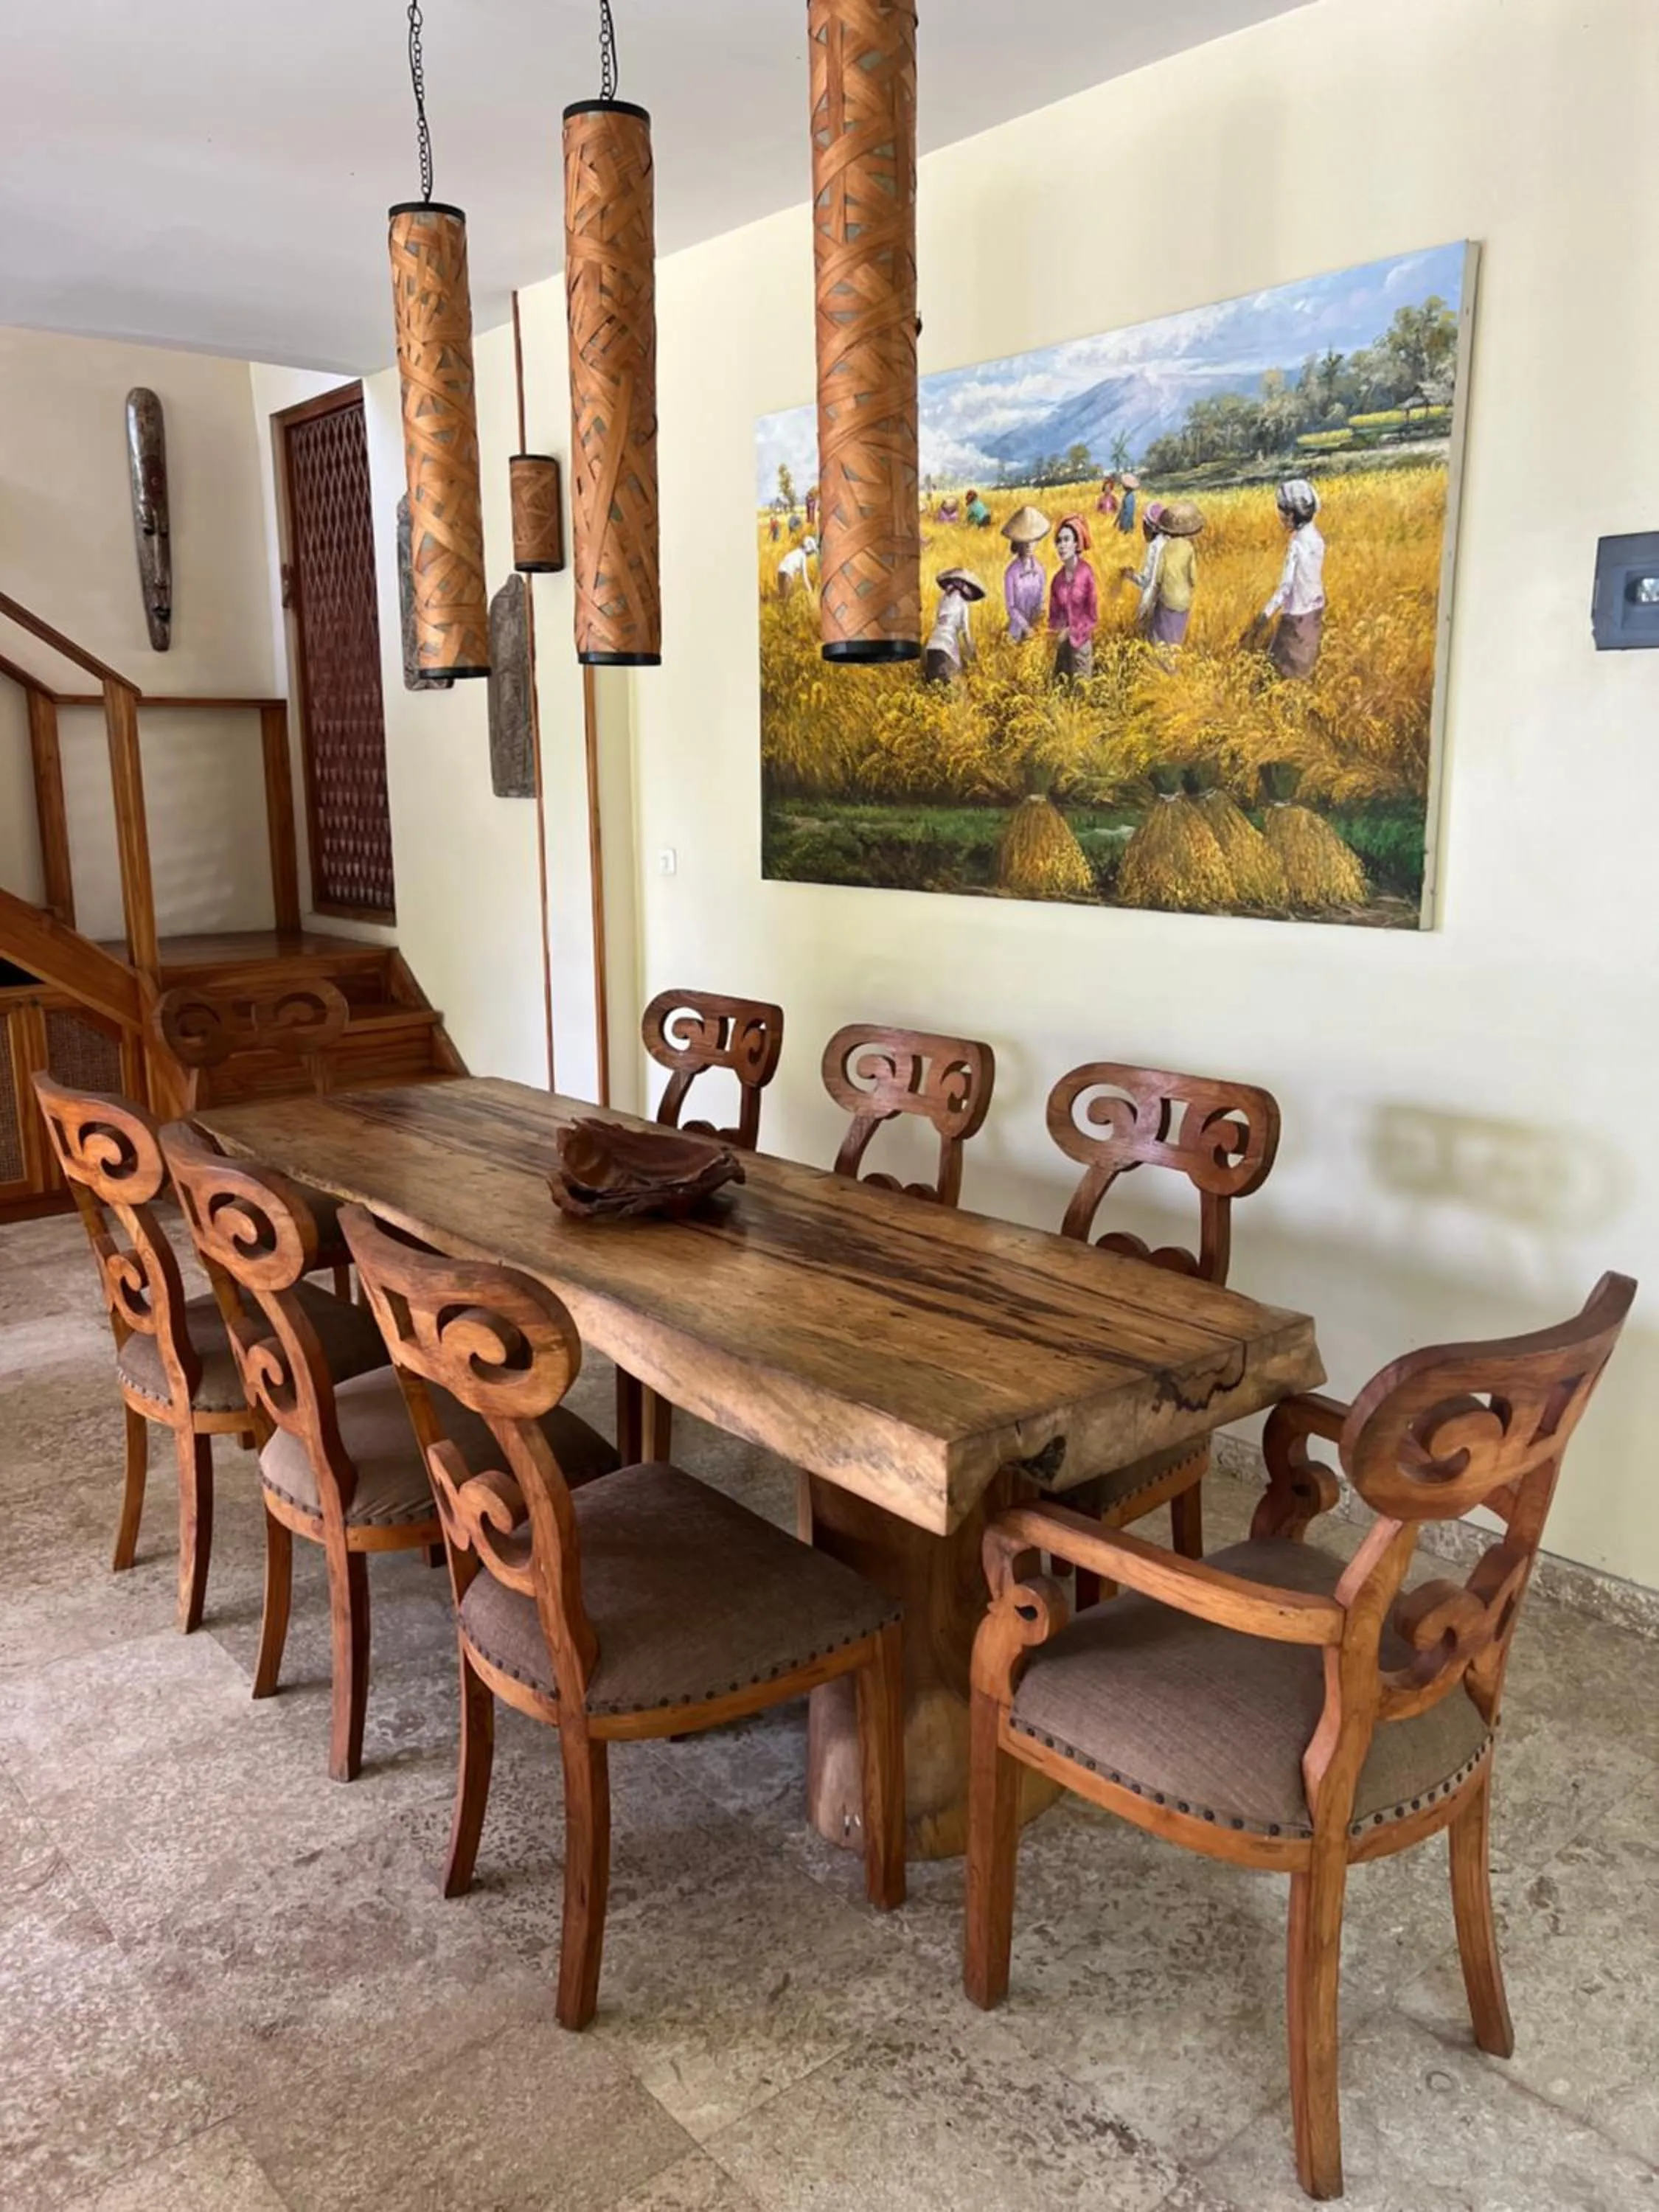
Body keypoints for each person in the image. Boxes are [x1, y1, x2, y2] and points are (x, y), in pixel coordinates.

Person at [1257, 479, 1326, 677]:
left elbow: (1286, 587)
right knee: (1306, 660)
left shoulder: (1296, 543)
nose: (1280, 517)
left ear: (1291, 514)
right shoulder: (1317, 538)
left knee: (1280, 666)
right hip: (1315, 607)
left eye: (1282, 512)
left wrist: (1265, 614)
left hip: (1296, 613)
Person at [1125, 499, 1203, 646]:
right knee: (1175, 639)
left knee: (1156, 640)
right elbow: (1193, 579)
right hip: (1183, 603)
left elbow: (1153, 580)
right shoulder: (1187, 547)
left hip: (1162, 601)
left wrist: (1131, 576)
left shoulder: (1157, 546)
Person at [1048, 515, 1099, 682]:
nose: (1062, 546)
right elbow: (1054, 616)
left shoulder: (1086, 574)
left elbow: (1092, 615)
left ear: (1077, 544)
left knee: (1082, 693)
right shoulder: (1057, 580)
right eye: (1059, 541)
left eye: (1066, 540)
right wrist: (1056, 631)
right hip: (1062, 647)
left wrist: (1072, 630)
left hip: (1081, 645)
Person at [923, 567, 985, 684]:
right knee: (953, 689)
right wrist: (973, 655)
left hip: (932, 647)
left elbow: (938, 623)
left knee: (933, 689)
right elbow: (965, 633)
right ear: (963, 585)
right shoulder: (963, 604)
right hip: (947, 648)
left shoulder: (942, 600)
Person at [1000, 505, 1050, 641]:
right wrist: (1026, 627)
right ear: (1018, 543)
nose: (1029, 545)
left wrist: (1039, 622)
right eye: (1025, 541)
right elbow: (1011, 608)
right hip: (1017, 630)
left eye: (1032, 540)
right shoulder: (1011, 573)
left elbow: (1040, 600)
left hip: (1036, 630)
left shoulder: (1039, 570)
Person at [776, 532, 818, 599]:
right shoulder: (803, 557)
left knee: (782, 597)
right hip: (787, 575)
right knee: (787, 599)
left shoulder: (796, 552)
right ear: (809, 550)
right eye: (812, 552)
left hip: (780, 572)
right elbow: (805, 578)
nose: (810, 555)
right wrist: (811, 593)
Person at [1116, 471, 1140, 535]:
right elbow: (1122, 510)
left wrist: (1126, 527)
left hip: (1126, 524)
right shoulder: (1127, 496)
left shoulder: (1129, 497)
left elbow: (1129, 513)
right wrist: (1116, 522)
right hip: (1124, 523)